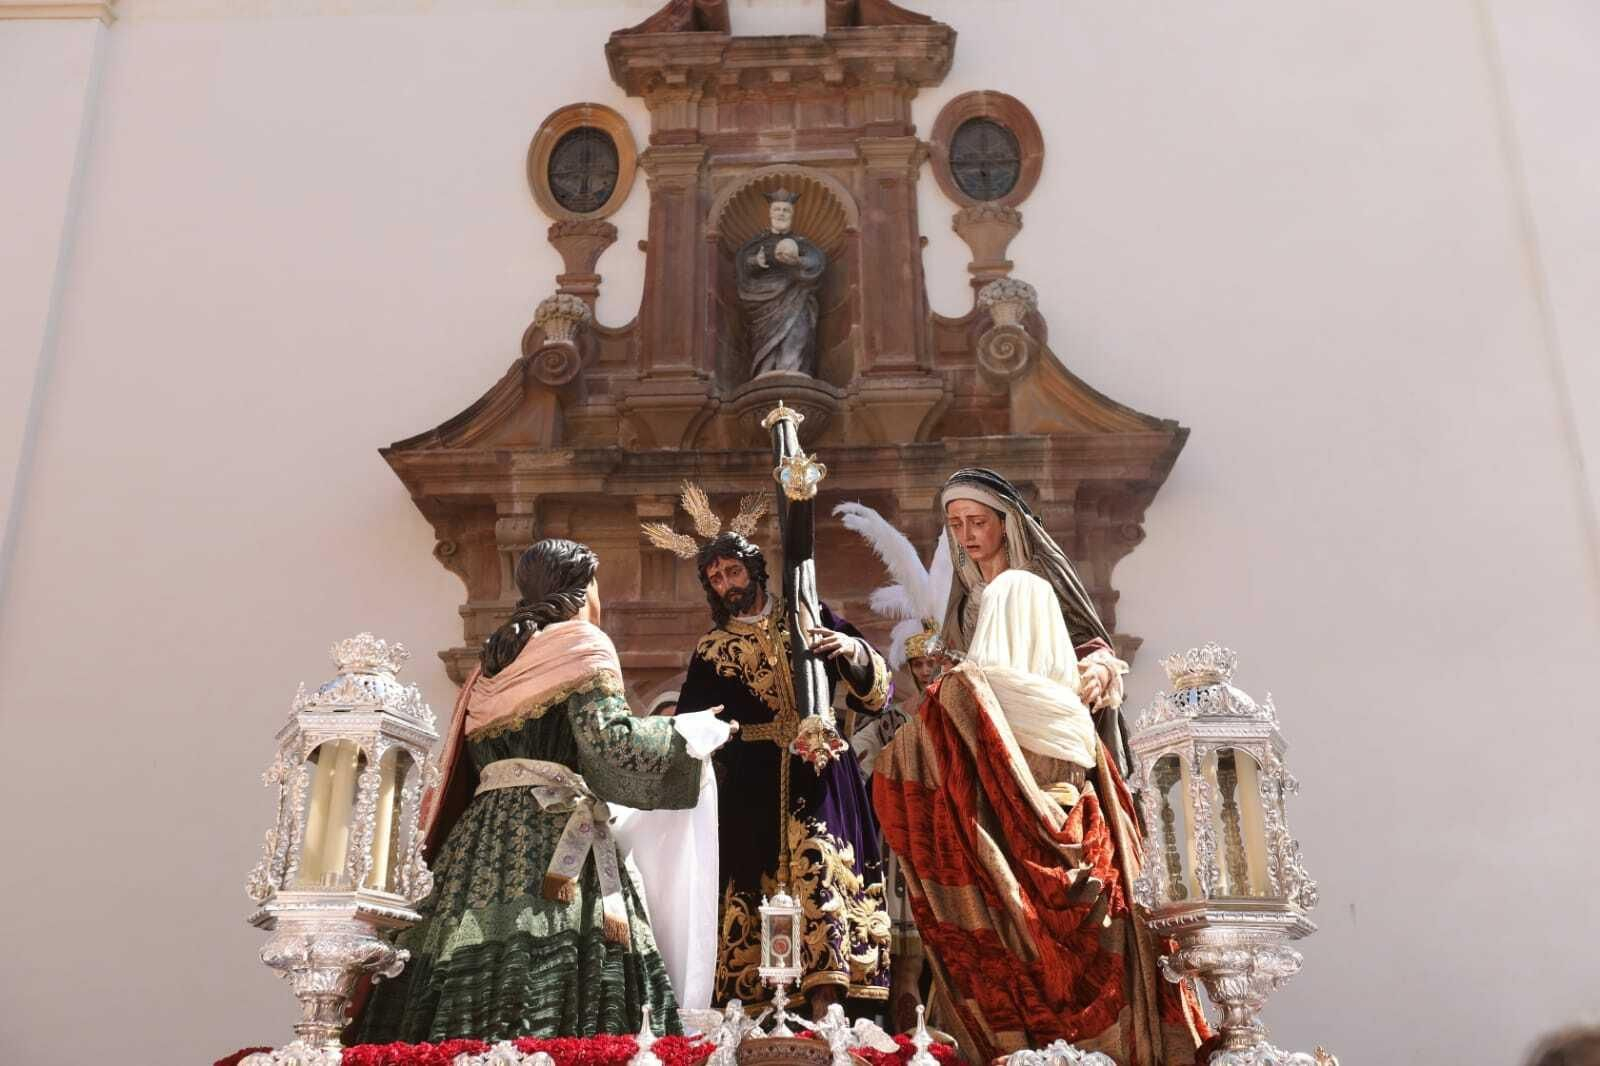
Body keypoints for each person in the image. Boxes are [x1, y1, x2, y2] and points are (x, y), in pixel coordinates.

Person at [348, 539, 731, 1043]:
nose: (600, 599)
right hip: (555, 836)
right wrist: (690, 734)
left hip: (479, 843)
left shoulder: (492, 664)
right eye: (597, 586)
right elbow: (610, 746)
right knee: (569, 957)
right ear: (579, 587)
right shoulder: (583, 644)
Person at [872, 569, 1209, 1064]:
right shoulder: (1074, 711)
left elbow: (896, 774)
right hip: (1095, 872)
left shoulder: (964, 694)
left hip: (1004, 883)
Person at [675, 529, 893, 1017]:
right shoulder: (711, 649)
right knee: (760, 884)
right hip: (752, 782)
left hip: (819, 769)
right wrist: (715, 732)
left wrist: (853, 653)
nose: (726, 583)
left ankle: (830, 1003)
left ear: (754, 570)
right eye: (715, 578)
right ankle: (765, 1014)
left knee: (824, 873)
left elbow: (878, 695)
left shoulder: (808, 616)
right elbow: (691, 720)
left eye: (732, 571)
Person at [937, 468, 1135, 776]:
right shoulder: (965, 602)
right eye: (956, 525)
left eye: (977, 523)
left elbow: (1089, 641)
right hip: (983, 730)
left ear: (1004, 523)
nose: (966, 535)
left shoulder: (1038, 580)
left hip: (1039, 727)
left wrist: (1100, 668)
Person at [736, 188, 827, 377]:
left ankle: (792, 370)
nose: (781, 214)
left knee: (798, 331)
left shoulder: (801, 243)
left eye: (786, 210)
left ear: (792, 215)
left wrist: (797, 261)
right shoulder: (758, 242)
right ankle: (766, 372)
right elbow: (742, 263)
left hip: (796, 296)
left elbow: (816, 262)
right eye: (777, 209)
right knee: (765, 340)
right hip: (764, 301)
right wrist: (756, 261)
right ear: (770, 213)